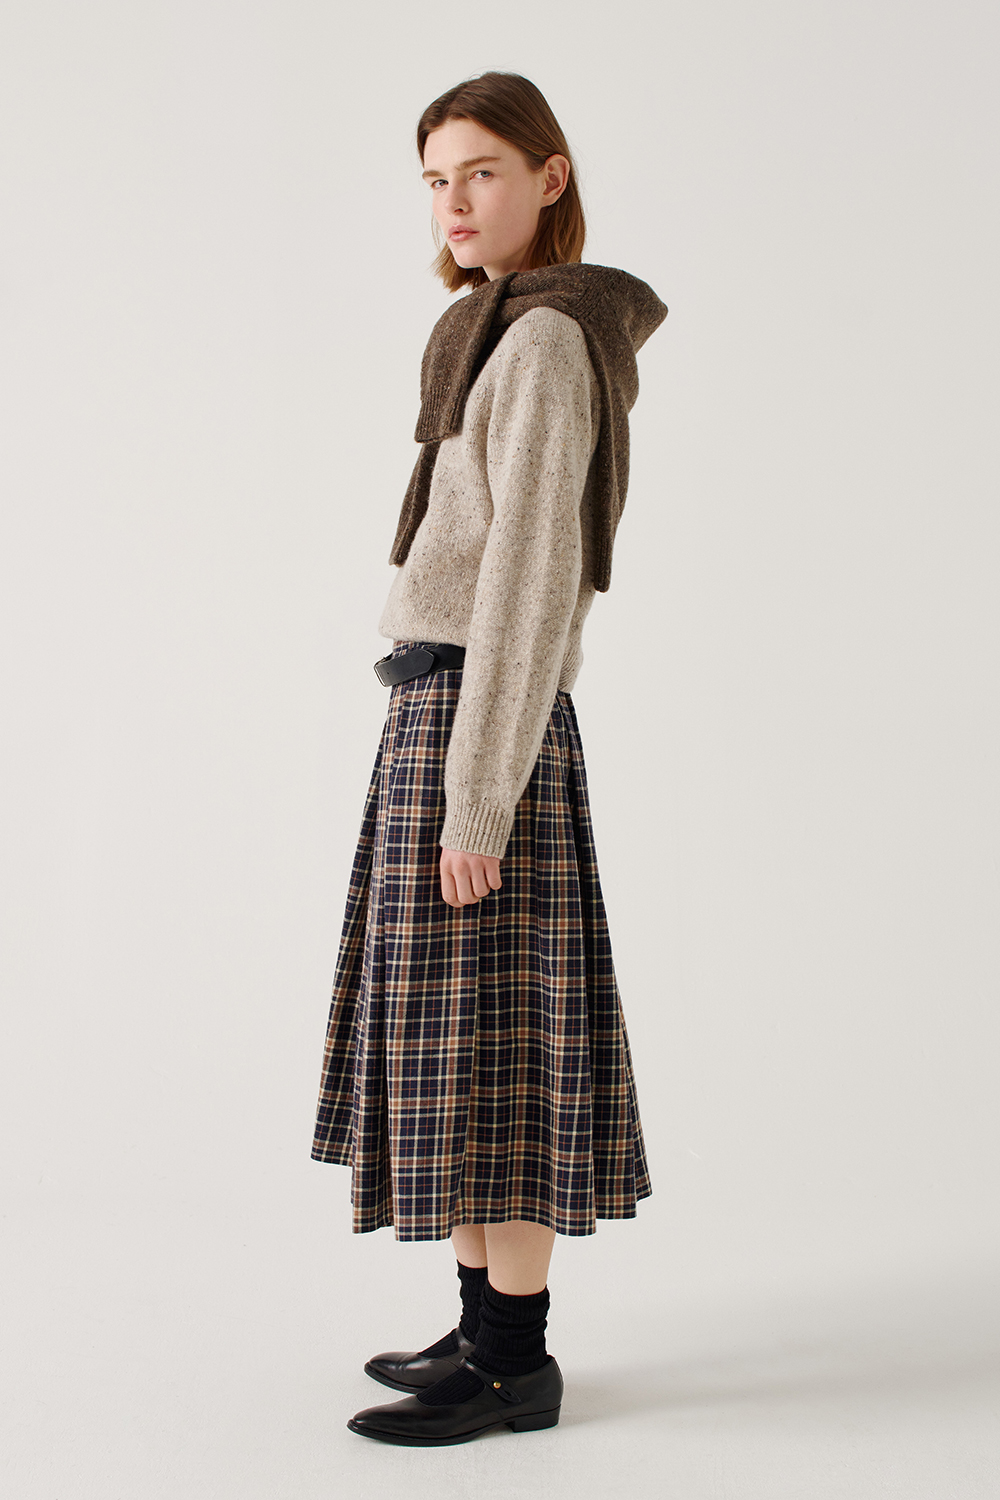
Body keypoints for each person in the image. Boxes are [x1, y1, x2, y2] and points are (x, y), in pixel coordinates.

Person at [311, 70, 668, 1446]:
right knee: (458, 1047)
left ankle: (516, 1368)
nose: (454, 203)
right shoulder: (490, 329)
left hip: (483, 724)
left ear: (549, 178)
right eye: (436, 180)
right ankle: (479, 1334)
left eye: (482, 172)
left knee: (500, 1051)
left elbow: (529, 578)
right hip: (444, 716)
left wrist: (478, 799)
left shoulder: (545, 344)